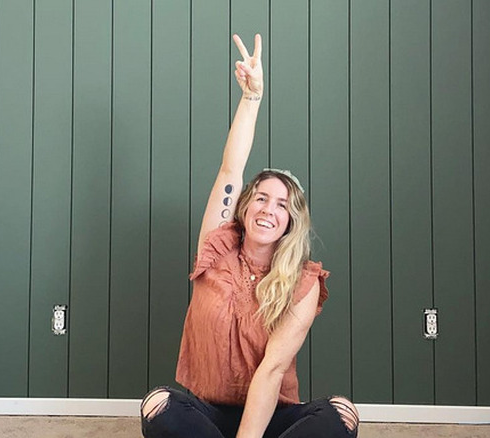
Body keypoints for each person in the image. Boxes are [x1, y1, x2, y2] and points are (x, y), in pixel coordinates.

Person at [139, 33, 359, 438]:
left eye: (281, 205)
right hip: (206, 412)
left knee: (342, 413)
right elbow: (230, 171)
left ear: (290, 222)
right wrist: (251, 98)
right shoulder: (216, 246)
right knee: (158, 403)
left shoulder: (304, 282)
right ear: (244, 206)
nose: (268, 209)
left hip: (269, 414)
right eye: (261, 197)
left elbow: (273, 368)